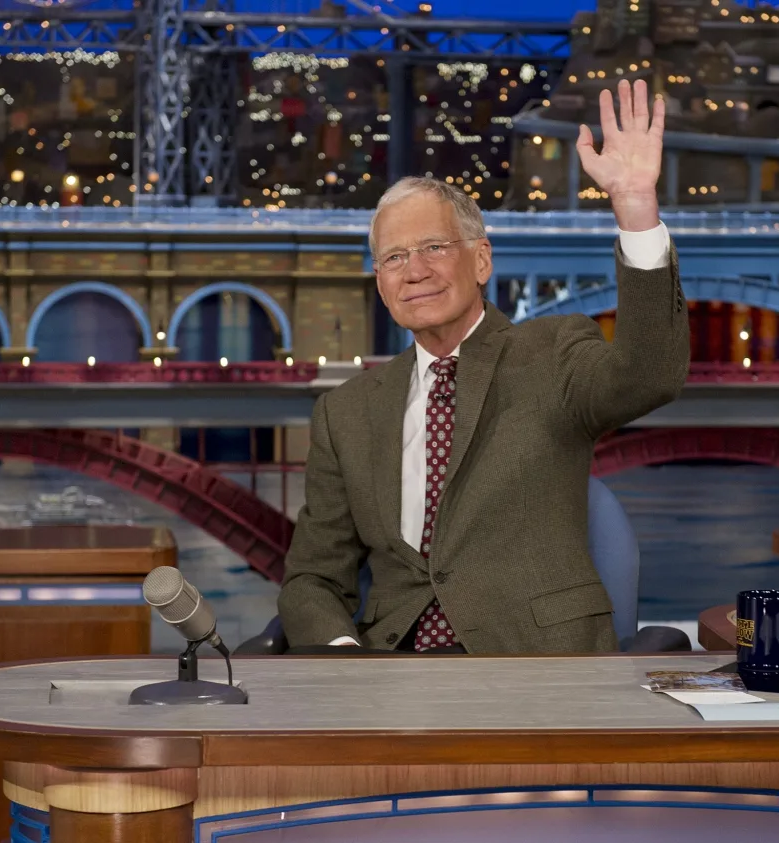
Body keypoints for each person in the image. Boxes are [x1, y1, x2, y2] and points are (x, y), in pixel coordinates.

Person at [278, 79, 689, 654]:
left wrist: (636, 208)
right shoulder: (345, 412)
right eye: (394, 257)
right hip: (393, 674)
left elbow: (650, 374)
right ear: (381, 282)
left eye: (434, 248)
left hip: (535, 665)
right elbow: (312, 579)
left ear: (481, 260)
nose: (414, 271)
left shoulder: (553, 353)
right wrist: (347, 661)